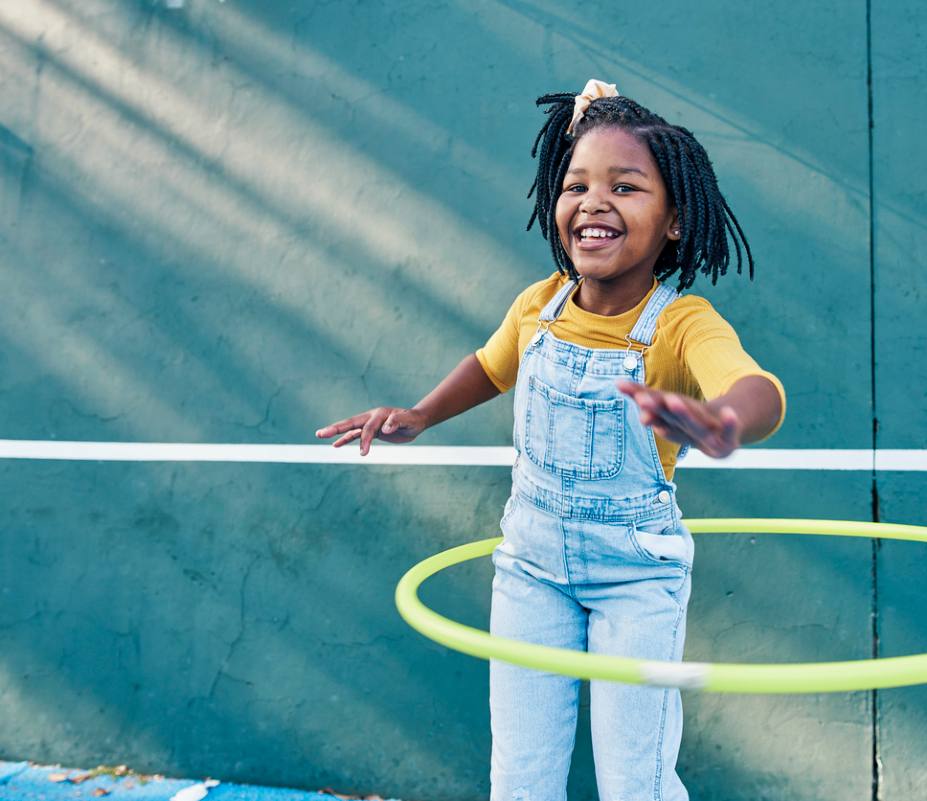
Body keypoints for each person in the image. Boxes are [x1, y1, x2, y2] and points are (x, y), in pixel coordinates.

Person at [315, 79, 786, 801]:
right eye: (577, 184)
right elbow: (490, 365)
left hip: (637, 576)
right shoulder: (538, 304)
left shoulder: (682, 323)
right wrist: (420, 414)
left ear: (674, 222)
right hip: (530, 567)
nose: (594, 202)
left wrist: (725, 422)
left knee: (639, 782)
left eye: (625, 187)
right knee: (521, 777)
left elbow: (758, 389)